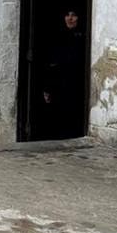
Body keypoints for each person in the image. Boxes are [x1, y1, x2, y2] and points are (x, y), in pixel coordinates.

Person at [42, 8, 86, 139]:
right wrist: (47, 87)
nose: (70, 18)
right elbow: (49, 63)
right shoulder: (56, 37)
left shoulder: (84, 37)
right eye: (67, 15)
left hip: (77, 83)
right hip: (58, 83)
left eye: (74, 15)